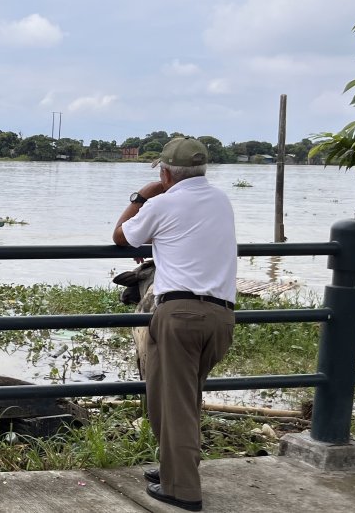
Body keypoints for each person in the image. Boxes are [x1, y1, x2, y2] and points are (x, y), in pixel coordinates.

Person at [112, 137, 236, 512]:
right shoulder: (221, 200)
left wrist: (141, 196)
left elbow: (121, 236)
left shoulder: (163, 202)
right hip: (221, 315)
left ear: (165, 173)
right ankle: (174, 469)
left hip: (179, 314)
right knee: (183, 397)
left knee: (173, 402)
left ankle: (182, 489)